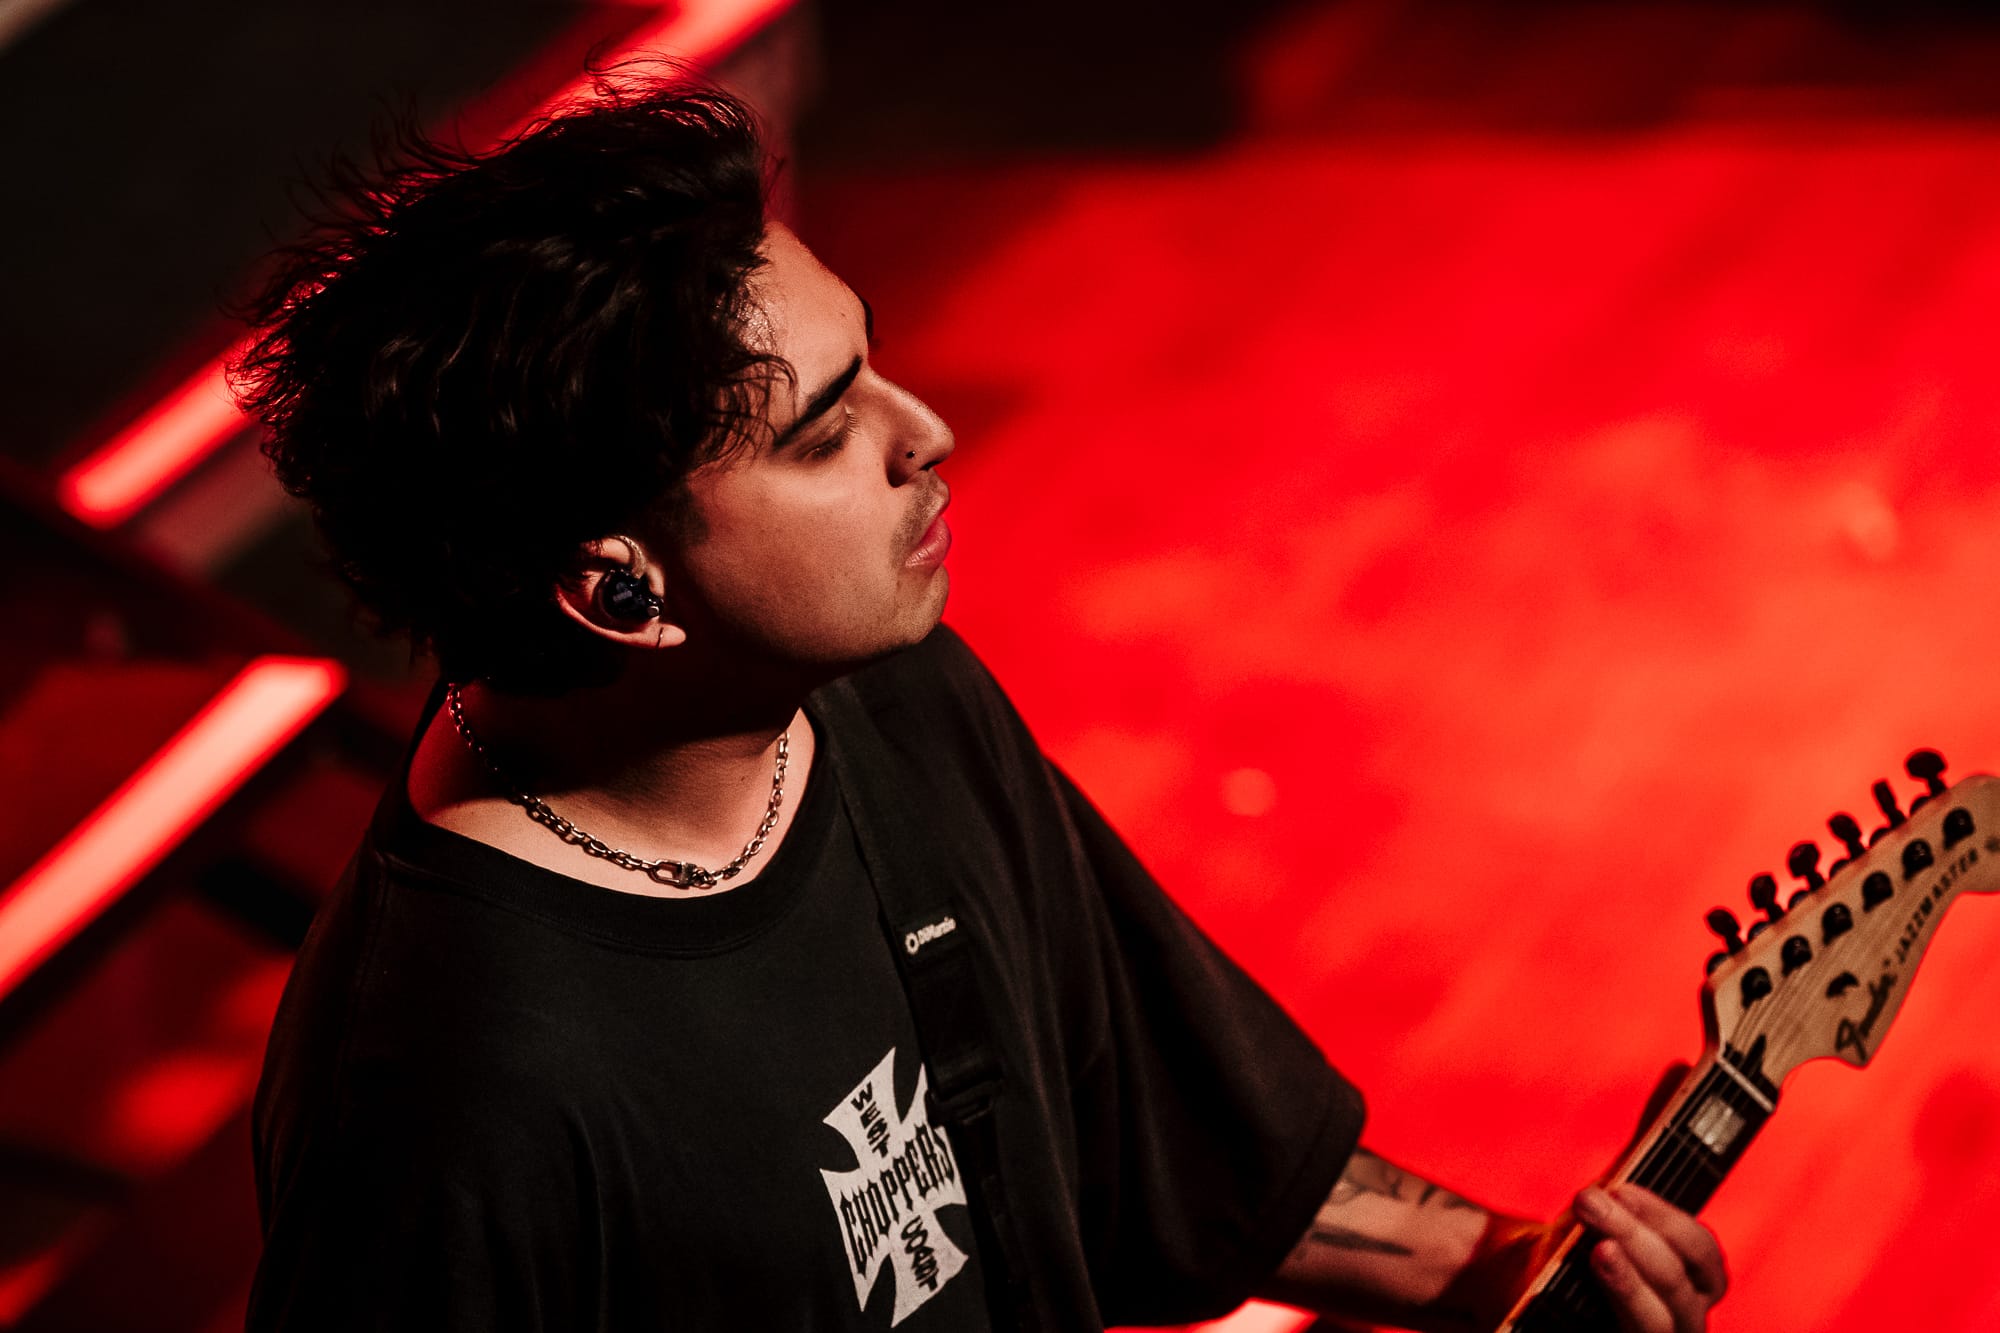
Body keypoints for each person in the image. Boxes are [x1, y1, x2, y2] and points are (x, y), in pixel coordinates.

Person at [235, 75, 1726, 1333]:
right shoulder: (450, 1098)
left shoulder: (891, 701)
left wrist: (1517, 1271)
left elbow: (1173, 1138)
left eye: (874, 368)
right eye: (824, 433)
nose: (927, 431)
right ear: (620, 589)